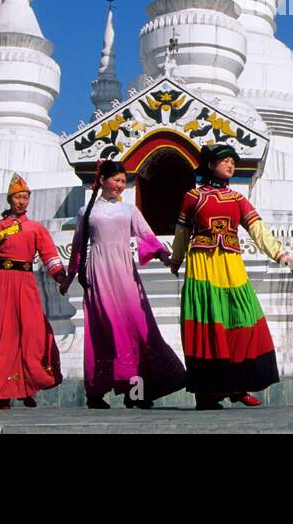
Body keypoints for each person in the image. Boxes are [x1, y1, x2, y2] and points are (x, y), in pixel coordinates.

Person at [169, 143, 293, 410]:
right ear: (211, 165)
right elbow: (181, 232)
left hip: (231, 264)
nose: (230, 165)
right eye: (225, 161)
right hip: (202, 265)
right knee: (208, 325)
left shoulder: (238, 199)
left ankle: (240, 385)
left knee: (243, 317)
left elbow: (257, 229)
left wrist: (279, 254)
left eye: (233, 162)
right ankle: (206, 393)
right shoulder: (193, 196)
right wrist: (176, 259)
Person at [61, 160, 187, 409]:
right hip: (98, 272)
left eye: (123, 181)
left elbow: (146, 235)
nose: (120, 185)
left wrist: (165, 257)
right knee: (102, 329)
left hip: (125, 272)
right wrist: (69, 276)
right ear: (103, 180)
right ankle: (96, 393)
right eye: (116, 180)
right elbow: (78, 246)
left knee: (134, 327)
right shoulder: (86, 212)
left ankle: (136, 393)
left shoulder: (129, 210)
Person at [0, 172, 71, 409]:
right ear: (10, 199)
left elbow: (50, 256)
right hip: (1, 283)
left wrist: (61, 278)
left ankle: (28, 386)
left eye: (25, 197)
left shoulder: (36, 229)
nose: (22, 201)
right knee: (4, 337)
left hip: (25, 282)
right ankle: (4, 392)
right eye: (18, 197)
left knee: (33, 333)